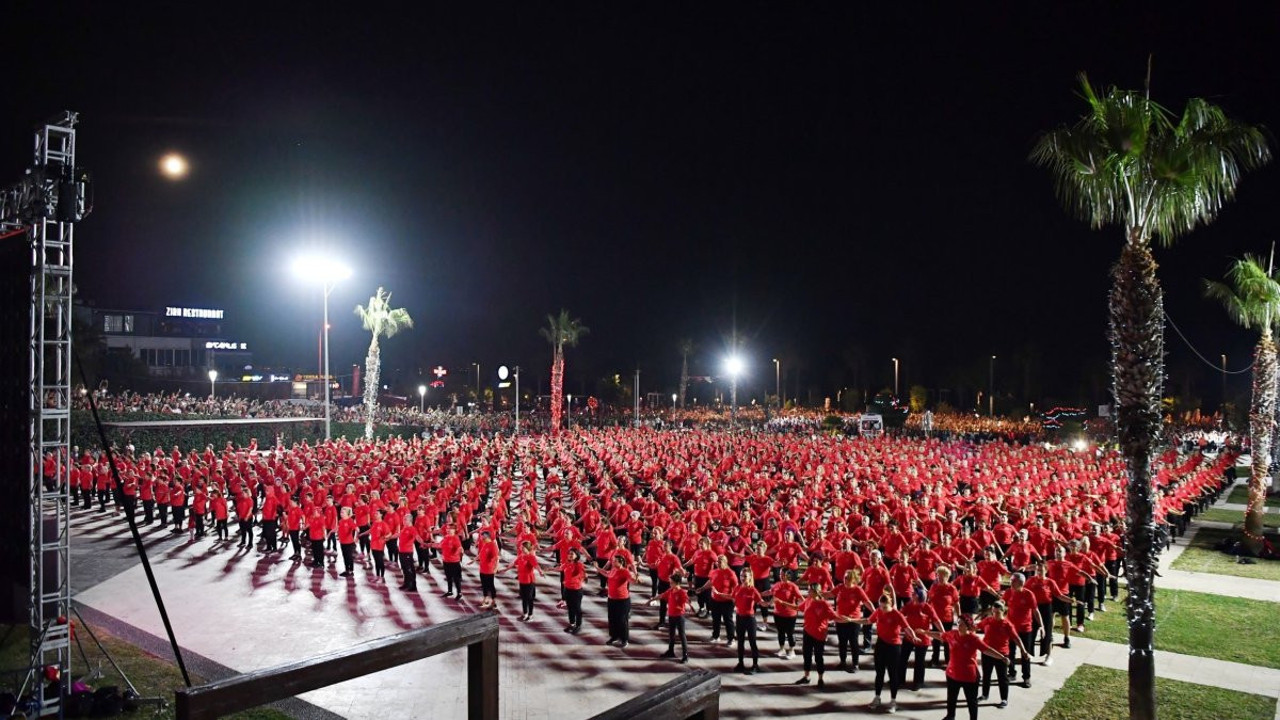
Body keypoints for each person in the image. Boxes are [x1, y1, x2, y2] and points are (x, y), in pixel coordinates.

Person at [925, 614, 1009, 720]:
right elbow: (940, 635)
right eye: (958, 622)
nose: (959, 625)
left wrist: (1001, 657)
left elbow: (987, 650)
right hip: (952, 674)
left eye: (962, 623)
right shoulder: (952, 634)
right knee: (951, 699)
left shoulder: (974, 639)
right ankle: (950, 716)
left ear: (968, 626)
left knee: (971, 701)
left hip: (969, 677)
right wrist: (925, 632)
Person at [864, 590, 915, 712]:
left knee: (893, 675)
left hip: (894, 647)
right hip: (881, 645)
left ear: (890, 604)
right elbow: (867, 621)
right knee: (879, 673)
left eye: (885, 607)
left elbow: (907, 628)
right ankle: (877, 697)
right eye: (880, 607)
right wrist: (851, 619)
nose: (882, 609)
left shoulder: (897, 614)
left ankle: (893, 701)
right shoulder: (878, 612)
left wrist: (914, 637)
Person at [794, 583, 846, 688]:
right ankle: (806, 676)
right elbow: (798, 608)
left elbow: (834, 616)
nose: (808, 592)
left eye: (809, 591)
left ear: (815, 591)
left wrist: (849, 620)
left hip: (819, 634)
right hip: (807, 632)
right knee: (806, 655)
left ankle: (820, 678)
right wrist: (782, 603)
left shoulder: (824, 604)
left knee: (818, 657)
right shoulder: (808, 601)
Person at [977, 602, 1027, 708]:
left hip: (1002, 655)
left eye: (997, 612)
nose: (995, 614)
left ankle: (1004, 699)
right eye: (993, 612)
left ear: (1003, 611)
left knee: (1002, 678)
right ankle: (985, 695)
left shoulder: (1007, 624)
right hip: (987, 653)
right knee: (986, 675)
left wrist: (1023, 650)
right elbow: (976, 626)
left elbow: (1016, 638)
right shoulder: (988, 620)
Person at [900, 584, 944, 691]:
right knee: (902, 659)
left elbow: (936, 620)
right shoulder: (909, 605)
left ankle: (918, 682)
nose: (912, 594)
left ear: (919, 596)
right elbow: (900, 615)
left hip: (923, 638)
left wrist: (943, 632)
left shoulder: (927, 607)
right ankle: (900, 680)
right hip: (909, 637)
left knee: (919, 662)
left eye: (914, 593)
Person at [1002, 572, 1040, 686]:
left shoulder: (1029, 594)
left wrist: (1041, 625)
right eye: (1011, 580)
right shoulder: (1009, 592)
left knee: (1025, 653)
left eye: (1014, 581)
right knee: (1010, 652)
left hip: (1025, 628)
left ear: (1021, 583)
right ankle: (1012, 673)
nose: (1011, 582)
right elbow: (1002, 603)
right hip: (1011, 628)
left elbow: (1035, 611)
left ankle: (1026, 677)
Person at [833, 568, 873, 672]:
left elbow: (866, 602)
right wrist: (817, 594)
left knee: (853, 643)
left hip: (853, 621)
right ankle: (843, 662)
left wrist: (875, 612)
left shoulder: (857, 590)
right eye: (844, 577)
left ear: (852, 579)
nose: (844, 579)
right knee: (842, 642)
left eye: (847, 577)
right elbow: (830, 594)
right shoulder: (840, 587)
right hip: (840, 620)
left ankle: (855, 664)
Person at [649, 572, 692, 662]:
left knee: (682, 635)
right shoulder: (670, 591)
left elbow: (687, 602)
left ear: (677, 583)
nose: (670, 584)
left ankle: (685, 655)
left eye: (671, 582)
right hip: (671, 616)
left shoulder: (682, 592)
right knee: (671, 635)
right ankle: (670, 651)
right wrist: (652, 599)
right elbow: (662, 595)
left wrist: (687, 606)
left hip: (679, 617)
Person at [732, 568, 765, 674]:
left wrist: (771, 603)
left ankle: (755, 665)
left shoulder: (753, 590)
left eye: (745, 576)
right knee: (740, 642)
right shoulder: (737, 588)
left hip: (750, 619)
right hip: (739, 618)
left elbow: (761, 602)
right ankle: (740, 663)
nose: (742, 578)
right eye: (741, 576)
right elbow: (733, 598)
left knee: (752, 642)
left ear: (750, 577)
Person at [601, 554, 636, 648]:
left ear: (621, 562)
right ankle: (614, 636)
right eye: (613, 560)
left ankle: (624, 639)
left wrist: (635, 578)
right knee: (612, 619)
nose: (613, 562)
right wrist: (597, 568)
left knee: (622, 620)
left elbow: (631, 580)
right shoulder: (613, 569)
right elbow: (606, 573)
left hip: (622, 600)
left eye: (615, 561)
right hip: (611, 599)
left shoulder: (625, 571)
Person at [506, 540, 542, 621]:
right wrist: (504, 569)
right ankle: (525, 613)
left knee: (529, 599)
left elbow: (536, 565)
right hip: (522, 580)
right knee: (524, 598)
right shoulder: (521, 556)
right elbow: (514, 563)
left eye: (523, 547)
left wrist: (540, 572)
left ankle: (530, 615)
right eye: (521, 547)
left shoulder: (531, 557)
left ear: (527, 548)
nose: (521, 548)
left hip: (529, 581)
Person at [771, 574, 802, 660]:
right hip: (777, 613)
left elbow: (800, 598)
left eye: (784, 575)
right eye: (780, 574)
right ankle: (782, 649)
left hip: (790, 614)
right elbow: (770, 591)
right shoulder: (777, 584)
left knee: (790, 632)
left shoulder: (793, 586)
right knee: (780, 632)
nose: (781, 576)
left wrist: (806, 604)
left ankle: (792, 650)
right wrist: (760, 595)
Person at [561, 548, 587, 633]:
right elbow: (560, 568)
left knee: (577, 608)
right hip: (567, 589)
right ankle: (572, 624)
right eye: (569, 554)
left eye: (572, 554)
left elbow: (581, 574)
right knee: (570, 608)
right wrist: (550, 569)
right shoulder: (567, 563)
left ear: (576, 555)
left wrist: (571, 579)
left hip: (576, 590)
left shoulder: (579, 565)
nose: (570, 555)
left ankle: (578, 625)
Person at [474, 529, 500, 608]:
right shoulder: (485, 544)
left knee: (491, 585)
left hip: (489, 570)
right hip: (482, 569)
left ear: (486, 536)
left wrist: (496, 568)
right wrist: (474, 560)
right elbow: (480, 554)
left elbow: (496, 557)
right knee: (484, 585)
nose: (481, 538)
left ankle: (494, 601)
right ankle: (485, 599)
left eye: (482, 536)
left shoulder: (493, 545)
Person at [337, 507, 358, 578]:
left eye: (343, 512)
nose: (341, 514)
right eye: (340, 512)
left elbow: (356, 528)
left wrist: (356, 537)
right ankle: (346, 570)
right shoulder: (340, 521)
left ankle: (351, 571)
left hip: (349, 542)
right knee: (345, 556)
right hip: (342, 542)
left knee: (349, 557)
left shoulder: (350, 520)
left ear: (347, 514)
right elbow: (339, 529)